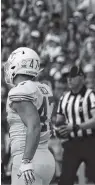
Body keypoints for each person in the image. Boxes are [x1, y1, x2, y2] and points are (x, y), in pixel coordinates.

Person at [4, 47, 56, 185]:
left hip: (29, 157)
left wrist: (26, 160)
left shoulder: (19, 91)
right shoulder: (43, 88)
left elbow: (34, 126)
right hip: (46, 157)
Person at [55, 65, 95, 185]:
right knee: (65, 180)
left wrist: (76, 127)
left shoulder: (91, 95)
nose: (69, 79)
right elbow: (59, 120)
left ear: (82, 78)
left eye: (73, 76)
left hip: (91, 141)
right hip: (72, 143)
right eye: (68, 77)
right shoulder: (64, 98)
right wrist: (58, 130)